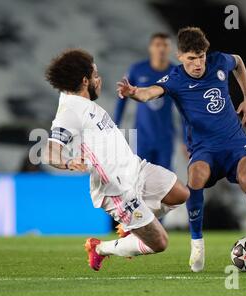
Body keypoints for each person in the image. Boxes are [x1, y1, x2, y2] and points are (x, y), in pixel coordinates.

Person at [116, 27, 246, 271]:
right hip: (205, 148)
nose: (198, 63)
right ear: (180, 56)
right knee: (195, 179)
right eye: (191, 58)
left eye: (201, 56)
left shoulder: (218, 62)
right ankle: (197, 244)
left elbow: (238, 61)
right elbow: (151, 92)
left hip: (235, 142)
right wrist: (134, 93)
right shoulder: (175, 78)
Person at [44, 49, 189, 271]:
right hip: (116, 190)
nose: (99, 79)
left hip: (135, 169)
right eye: (95, 75)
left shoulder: (81, 101)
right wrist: (67, 162)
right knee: (160, 243)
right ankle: (100, 248)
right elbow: (50, 151)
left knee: (180, 193)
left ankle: (133, 224)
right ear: (85, 81)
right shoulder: (70, 111)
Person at [114, 33, 176, 169]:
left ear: (170, 48)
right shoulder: (137, 69)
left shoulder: (175, 72)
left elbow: (184, 108)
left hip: (165, 138)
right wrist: (115, 126)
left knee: (165, 181)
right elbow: (121, 98)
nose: (161, 49)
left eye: (165, 45)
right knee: (140, 178)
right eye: (157, 45)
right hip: (142, 137)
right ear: (150, 48)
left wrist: (187, 140)